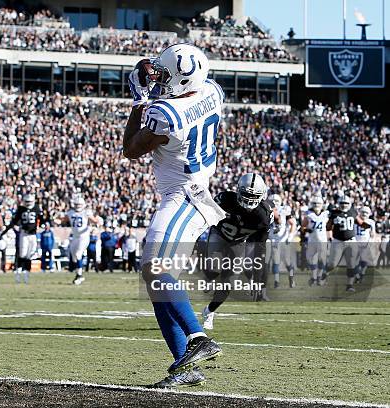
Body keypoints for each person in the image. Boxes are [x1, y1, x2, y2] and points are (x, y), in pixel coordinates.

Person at [123, 43, 224, 387]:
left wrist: (138, 99)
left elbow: (131, 149)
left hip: (183, 196)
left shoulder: (165, 113)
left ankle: (198, 338)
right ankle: (185, 368)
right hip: (195, 188)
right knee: (158, 286)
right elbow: (178, 87)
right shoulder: (212, 90)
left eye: (167, 75)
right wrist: (154, 73)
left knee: (155, 269)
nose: (161, 80)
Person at [201, 174, 274, 330]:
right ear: (238, 190)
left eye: (253, 196)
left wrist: (257, 278)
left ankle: (209, 311)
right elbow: (205, 215)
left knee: (229, 283)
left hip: (238, 242)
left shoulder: (263, 216)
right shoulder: (225, 199)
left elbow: (260, 248)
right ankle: (209, 278)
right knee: (213, 268)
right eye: (246, 194)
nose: (249, 200)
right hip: (219, 235)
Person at [322, 195, 370, 292]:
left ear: (349, 204)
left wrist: (367, 226)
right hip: (338, 241)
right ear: (339, 203)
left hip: (351, 241)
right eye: (342, 203)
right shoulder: (334, 213)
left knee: (351, 264)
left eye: (346, 203)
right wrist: (330, 233)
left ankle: (350, 285)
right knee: (332, 264)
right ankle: (325, 273)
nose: (344, 205)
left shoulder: (353, 212)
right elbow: (328, 227)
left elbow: (360, 222)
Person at [1, 193, 43, 284]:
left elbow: (42, 219)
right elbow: (15, 221)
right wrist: (12, 227)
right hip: (24, 233)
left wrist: (41, 226)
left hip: (33, 235)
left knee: (30, 255)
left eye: (29, 202)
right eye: (26, 202)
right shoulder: (21, 209)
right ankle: (18, 272)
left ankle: (26, 274)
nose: (28, 204)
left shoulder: (36, 208)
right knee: (22, 254)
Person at [59, 196, 101, 284]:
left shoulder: (86, 212)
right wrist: (58, 220)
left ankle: (80, 275)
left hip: (84, 237)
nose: (78, 206)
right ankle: (78, 274)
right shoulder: (70, 212)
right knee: (74, 257)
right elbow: (64, 220)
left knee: (78, 255)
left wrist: (96, 221)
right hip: (75, 237)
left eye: (79, 204)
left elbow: (93, 220)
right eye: (76, 204)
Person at [269, 193, 297, 288]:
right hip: (272, 239)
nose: (274, 203)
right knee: (275, 260)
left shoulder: (284, 210)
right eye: (272, 201)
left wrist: (290, 236)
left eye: (276, 201)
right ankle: (276, 282)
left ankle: (291, 278)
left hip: (283, 239)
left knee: (287, 261)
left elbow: (292, 223)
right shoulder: (266, 210)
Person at [301, 195, 330, 286]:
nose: (316, 205)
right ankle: (313, 277)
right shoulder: (308, 214)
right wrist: (306, 230)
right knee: (312, 260)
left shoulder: (326, 214)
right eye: (315, 203)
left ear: (322, 204)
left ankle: (319, 277)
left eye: (318, 203)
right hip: (312, 240)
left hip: (322, 240)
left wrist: (330, 238)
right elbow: (303, 227)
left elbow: (329, 227)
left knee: (322, 259)